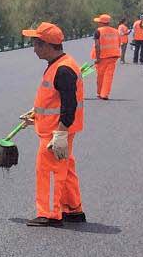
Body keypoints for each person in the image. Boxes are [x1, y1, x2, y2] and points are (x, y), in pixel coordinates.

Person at [19, 21, 85, 228]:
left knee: (47, 170)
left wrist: (61, 134)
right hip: (56, 128)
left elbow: (69, 104)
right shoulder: (59, 64)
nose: (34, 49)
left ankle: (48, 213)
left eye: (36, 44)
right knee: (65, 167)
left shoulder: (63, 69)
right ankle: (73, 209)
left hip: (56, 131)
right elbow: (53, 100)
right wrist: (36, 115)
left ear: (47, 45)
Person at [91, 14, 119, 99]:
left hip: (102, 57)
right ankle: (104, 94)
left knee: (100, 75)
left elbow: (97, 45)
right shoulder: (115, 31)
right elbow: (118, 43)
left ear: (101, 23)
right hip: (113, 56)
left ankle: (100, 93)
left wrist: (98, 58)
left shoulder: (98, 31)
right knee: (108, 76)